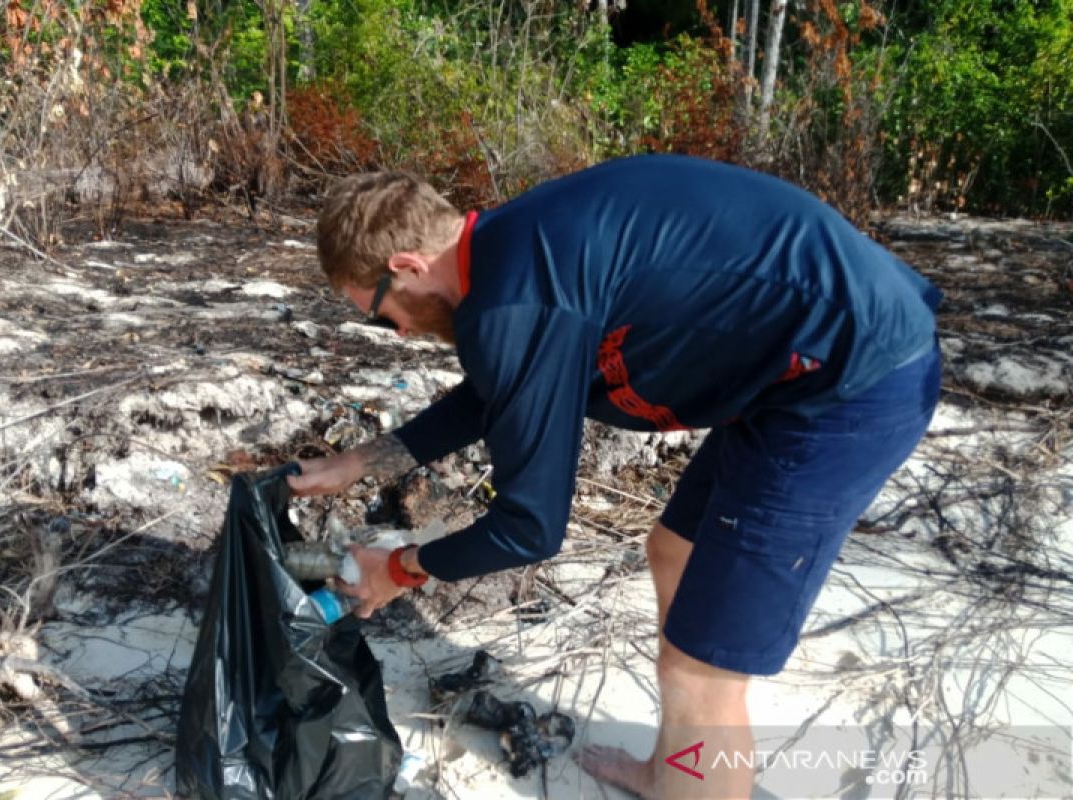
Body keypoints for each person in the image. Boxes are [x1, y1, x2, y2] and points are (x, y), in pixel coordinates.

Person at [286, 155, 941, 799]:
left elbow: (530, 529)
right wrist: (359, 464)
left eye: (381, 313)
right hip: (799, 361)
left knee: (702, 673)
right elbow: (497, 390)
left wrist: (400, 570)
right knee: (673, 549)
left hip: (850, 382)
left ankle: (696, 785)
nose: (396, 333)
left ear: (407, 267)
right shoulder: (508, 249)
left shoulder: (515, 302)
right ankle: (672, 775)